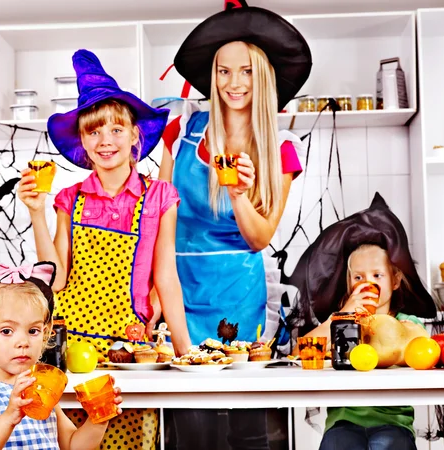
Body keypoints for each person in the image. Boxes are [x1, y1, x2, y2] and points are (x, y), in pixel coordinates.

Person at [18, 49, 192, 449]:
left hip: (128, 353)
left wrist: (186, 353)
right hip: (69, 353)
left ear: (135, 135)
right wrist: (36, 214)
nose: (105, 140)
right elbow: (56, 278)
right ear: (82, 140)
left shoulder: (160, 196)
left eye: (116, 129)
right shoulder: (68, 198)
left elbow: (166, 275)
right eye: (93, 131)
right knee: (71, 444)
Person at [159, 2, 312, 449]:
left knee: (249, 428)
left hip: (238, 296)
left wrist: (240, 193)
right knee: (191, 429)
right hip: (179, 292)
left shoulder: (279, 148)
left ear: (261, 75)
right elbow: (159, 219)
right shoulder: (181, 130)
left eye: (245, 71)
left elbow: (259, 237)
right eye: (223, 72)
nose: (233, 83)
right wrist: (153, 289)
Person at [288, 193, 438, 450]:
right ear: (349, 285)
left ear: (395, 280)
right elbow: (300, 352)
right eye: (358, 277)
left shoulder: (406, 323)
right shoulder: (343, 326)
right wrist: (340, 317)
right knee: (337, 444)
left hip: (393, 423)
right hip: (344, 422)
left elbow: (421, 349)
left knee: (388, 445)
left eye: (377, 274)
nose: (367, 282)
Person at [0, 259, 123, 450]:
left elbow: (72, 445)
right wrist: (9, 417)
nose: (23, 342)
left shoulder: (41, 389)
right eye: (6, 331)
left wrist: (99, 418)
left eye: (33, 331)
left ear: (45, 333)